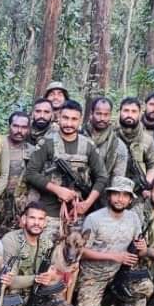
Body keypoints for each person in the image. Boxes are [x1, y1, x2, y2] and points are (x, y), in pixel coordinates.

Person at [23, 99, 107, 235]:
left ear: (80, 121)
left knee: (72, 254)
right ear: (58, 118)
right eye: (65, 118)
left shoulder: (88, 145)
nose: (69, 123)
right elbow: (31, 173)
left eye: (74, 119)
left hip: (77, 213)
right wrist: (57, 190)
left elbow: (102, 177)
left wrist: (87, 204)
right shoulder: (47, 143)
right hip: (48, 214)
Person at [75, 177, 152, 306]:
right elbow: (81, 252)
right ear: (109, 196)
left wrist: (142, 248)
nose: (120, 199)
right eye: (116, 194)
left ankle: (117, 300)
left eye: (125, 195)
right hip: (95, 274)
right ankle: (105, 299)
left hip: (120, 271)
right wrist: (113, 256)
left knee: (146, 287)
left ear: (130, 200)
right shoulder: (94, 219)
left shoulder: (133, 218)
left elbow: (140, 252)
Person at [1, 201, 74, 306]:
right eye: (32, 218)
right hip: (14, 296)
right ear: (24, 219)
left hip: (36, 294)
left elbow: (53, 274)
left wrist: (52, 277)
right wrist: (36, 279)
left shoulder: (47, 244)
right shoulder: (11, 240)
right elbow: (9, 281)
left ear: (45, 223)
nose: (37, 222)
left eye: (41, 219)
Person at [0, 111, 36, 233]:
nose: (19, 130)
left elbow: (36, 182)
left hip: (19, 208)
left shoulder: (33, 151)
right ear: (9, 126)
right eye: (15, 126)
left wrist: (28, 209)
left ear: (29, 129)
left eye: (24, 127)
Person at [115, 97, 154, 199]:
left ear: (140, 114)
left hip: (136, 193)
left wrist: (146, 183)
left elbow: (153, 166)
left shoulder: (147, 139)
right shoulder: (110, 136)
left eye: (134, 111)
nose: (129, 115)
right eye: (126, 111)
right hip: (113, 189)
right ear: (120, 112)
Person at [87, 96, 128, 187]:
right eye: (98, 113)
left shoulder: (118, 146)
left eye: (106, 114)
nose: (102, 118)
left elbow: (118, 179)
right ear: (91, 113)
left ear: (110, 115)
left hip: (104, 192)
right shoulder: (79, 136)